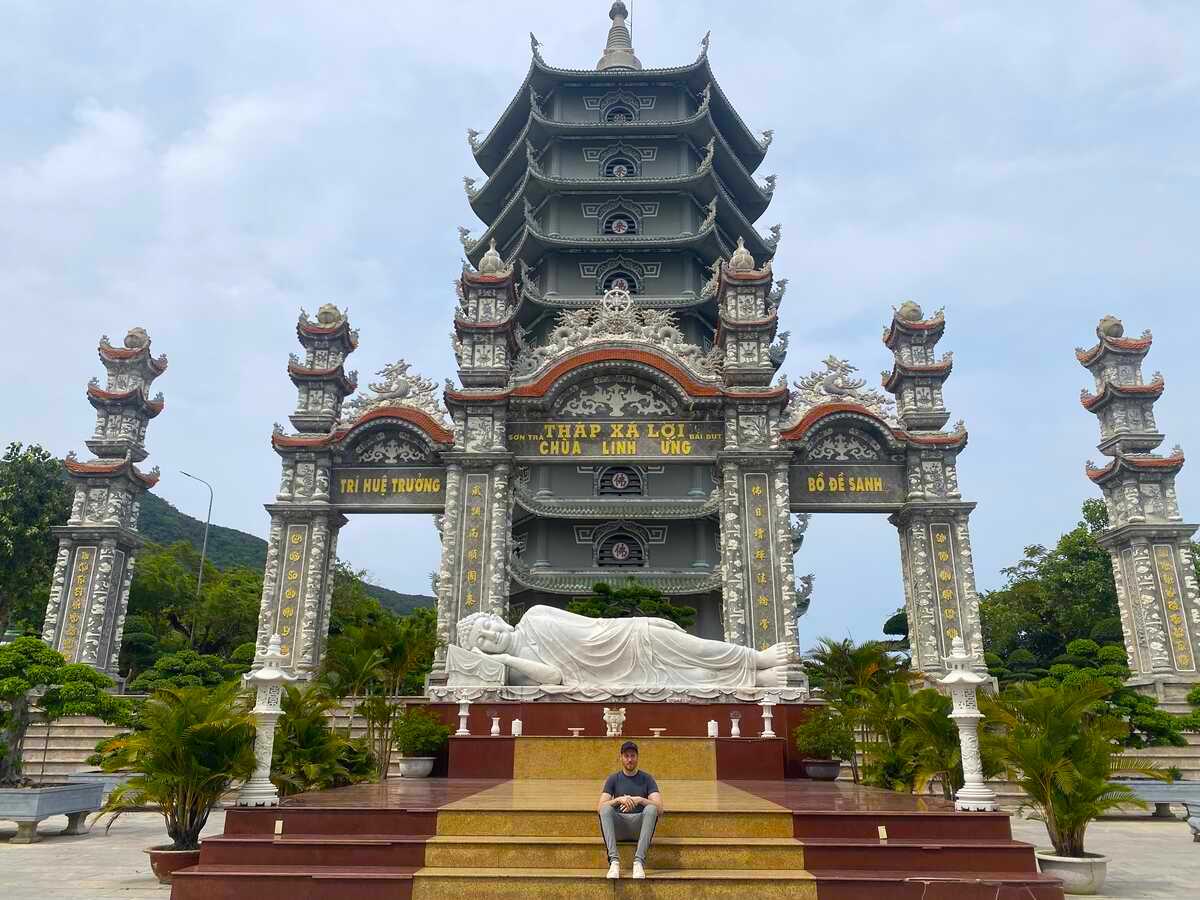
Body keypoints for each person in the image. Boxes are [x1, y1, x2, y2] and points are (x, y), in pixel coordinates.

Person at [458, 605, 795, 689]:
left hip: (623, 637)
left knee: (693, 649)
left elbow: (589, 626)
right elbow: (554, 677)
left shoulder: (533, 615)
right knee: (680, 679)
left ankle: (755, 658)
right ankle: (755, 680)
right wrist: (504, 658)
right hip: (603, 675)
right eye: (483, 642)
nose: (490, 636)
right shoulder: (517, 671)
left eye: (487, 627)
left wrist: (628, 628)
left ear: (496, 617)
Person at [597, 740, 662, 879]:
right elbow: (600, 807)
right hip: (619, 827)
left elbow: (660, 808)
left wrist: (640, 799)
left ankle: (638, 862)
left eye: (633, 756)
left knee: (651, 808)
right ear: (621, 758)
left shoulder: (647, 779)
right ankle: (614, 862)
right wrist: (618, 800)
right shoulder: (613, 779)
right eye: (626, 756)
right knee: (605, 809)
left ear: (637, 757)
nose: (630, 759)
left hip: (639, 828)